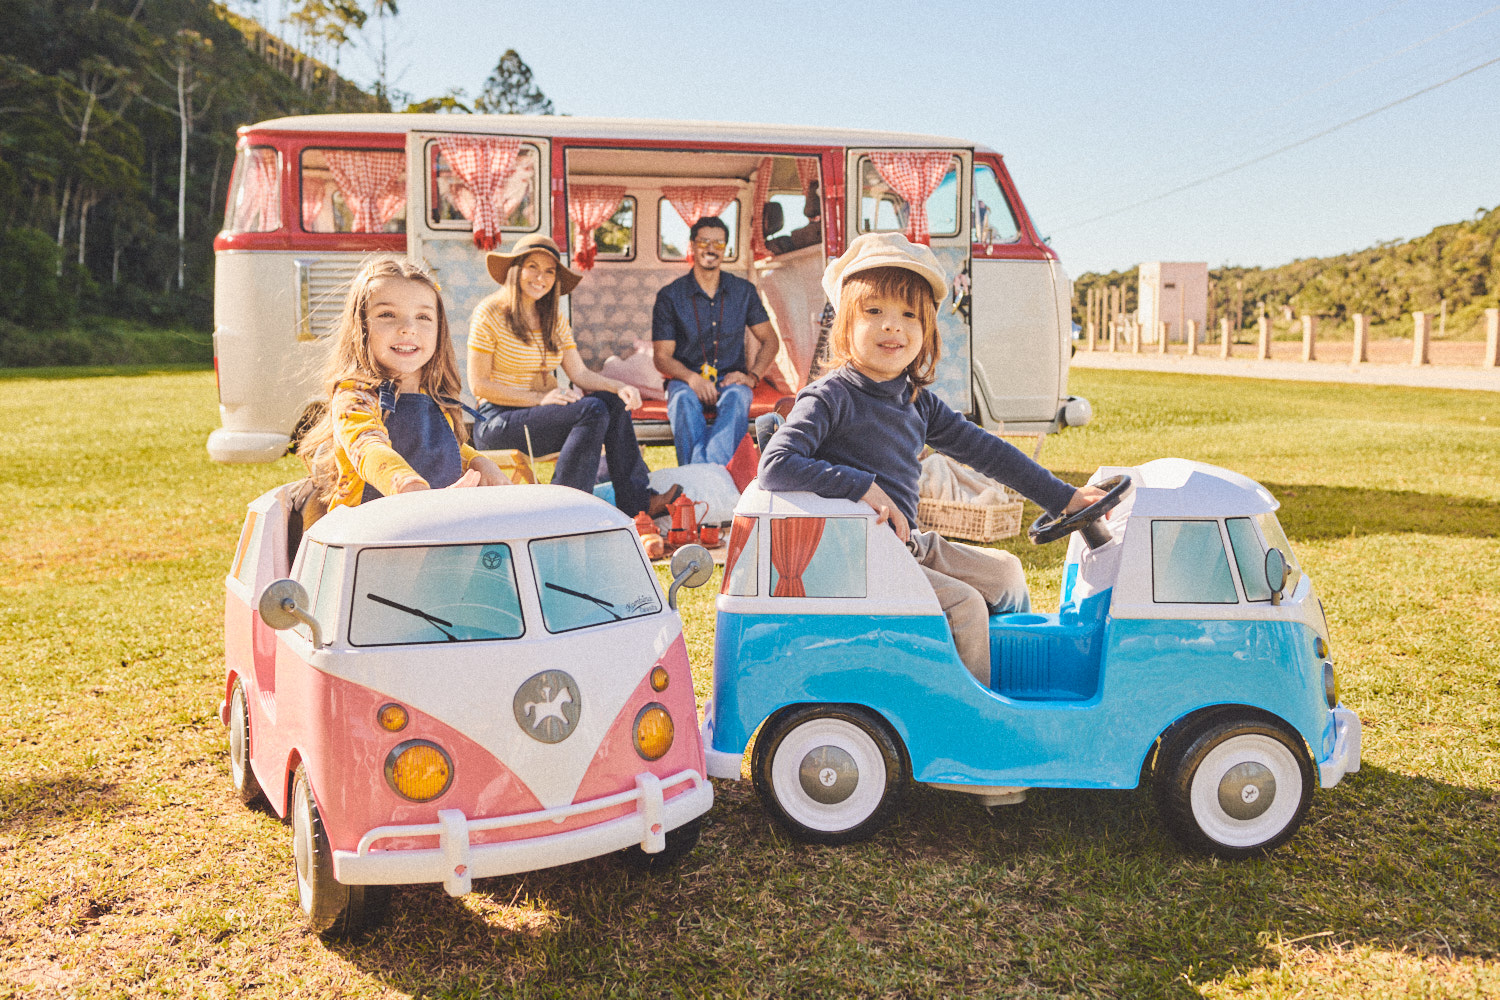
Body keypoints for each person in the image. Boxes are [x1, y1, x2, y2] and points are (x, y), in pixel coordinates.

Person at [758, 232, 1109, 685]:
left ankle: (1012, 676)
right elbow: (775, 465)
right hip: (854, 558)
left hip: (904, 548)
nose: (893, 326)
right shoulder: (830, 397)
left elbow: (989, 452)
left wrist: (1063, 497)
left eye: (909, 315)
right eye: (874, 312)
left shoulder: (916, 401)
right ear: (844, 324)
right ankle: (974, 714)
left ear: (925, 332)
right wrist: (861, 485)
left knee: (1006, 571)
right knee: (964, 605)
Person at [468, 234, 679, 518]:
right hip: (497, 423)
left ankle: (638, 505)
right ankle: (565, 512)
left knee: (611, 403)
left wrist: (620, 387)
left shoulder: (553, 319)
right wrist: (540, 398)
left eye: (549, 271)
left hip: (540, 416)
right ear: (516, 269)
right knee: (591, 409)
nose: (540, 277)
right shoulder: (489, 313)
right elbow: (479, 385)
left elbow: (579, 373)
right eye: (532, 266)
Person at [299, 256, 507, 515]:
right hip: (368, 533)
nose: (408, 328)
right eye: (387, 314)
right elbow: (368, 446)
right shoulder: (355, 396)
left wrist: (478, 463)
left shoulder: (432, 396)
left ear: (439, 330)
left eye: (423, 316)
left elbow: (445, 448)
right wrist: (408, 485)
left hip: (436, 525)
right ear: (360, 326)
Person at [652, 215, 780, 466]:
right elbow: (662, 357)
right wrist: (692, 379)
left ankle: (699, 478)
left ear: (725, 249)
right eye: (704, 242)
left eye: (719, 243)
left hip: (732, 379)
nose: (711, 249)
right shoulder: (670, 295)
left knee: (738, 398)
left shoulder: (744, 291)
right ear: (692, 246)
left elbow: (770, 341)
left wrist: (752, 377)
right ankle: (713, 478)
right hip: (685, 380)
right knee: (682, 401)